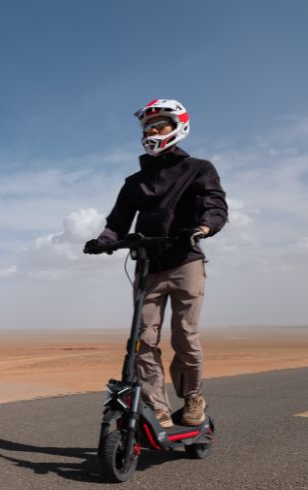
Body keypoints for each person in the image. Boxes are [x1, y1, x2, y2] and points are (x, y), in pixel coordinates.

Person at [84, 99, 228, 428]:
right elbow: (117, 223)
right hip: (147, 266)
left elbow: (214, 205)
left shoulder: (199, 169)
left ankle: (193, 398)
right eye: (147, 127)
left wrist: (202, 228)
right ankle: (158, 408)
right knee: (142, 339)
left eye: (159, 125)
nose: (151, 131)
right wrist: (102, 241)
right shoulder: (135, 182)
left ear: (178, 126)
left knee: (185, 335)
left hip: (185, 261)